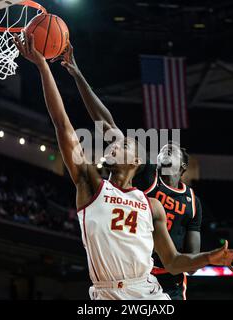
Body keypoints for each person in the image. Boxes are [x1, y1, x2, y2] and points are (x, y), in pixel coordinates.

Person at [13, 33, 233, 300]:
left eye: (124, 144)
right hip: (106, 293)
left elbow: (173, 261)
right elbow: (67, 125)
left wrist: (210, 257)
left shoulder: (160, 205)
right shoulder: (94, 185)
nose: (114, 144)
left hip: (152, 289)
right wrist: (47, 67)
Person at [60, 45, 203, 299]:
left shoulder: (192, 202)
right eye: (164, 147)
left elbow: (191, 257)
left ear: (182, 166)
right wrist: (77, 74)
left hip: (169, 277)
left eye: (173, 149)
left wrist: (206, 259)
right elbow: (105, 122)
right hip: (133, 272)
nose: (166, 149)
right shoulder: (146, 173)